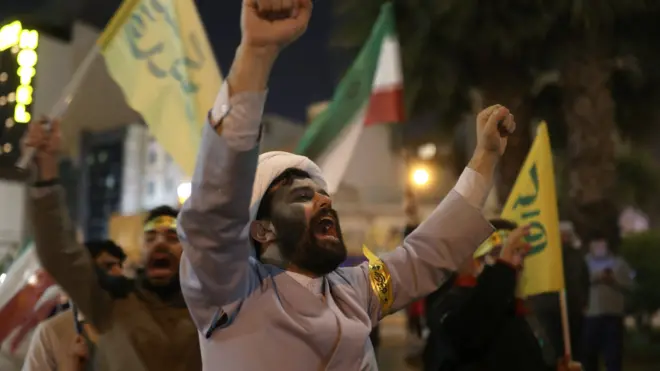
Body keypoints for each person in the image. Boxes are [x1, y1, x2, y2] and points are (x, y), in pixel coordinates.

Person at [176, 0, 517, 369]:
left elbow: (424, 254)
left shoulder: (355, 290)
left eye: (324, 194)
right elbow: (216, 209)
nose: (324, 201)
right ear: (262, 229)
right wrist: (256, 55)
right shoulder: (228, 292)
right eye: (303, 195)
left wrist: (484, 159)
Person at [24, 119, 201, 371]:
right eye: (151, 238)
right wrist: (45, 173)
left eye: (172, 238)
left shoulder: (209, 310)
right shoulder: (113, 303)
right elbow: (59, 252)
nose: (160, 243)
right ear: (141, 254)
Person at [423, 220, 582, 371]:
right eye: (499, 253)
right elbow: (470, 334)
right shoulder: (450, 305)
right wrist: (503, 270)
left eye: (520, 254)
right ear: (474, 260)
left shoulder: (517, 312)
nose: (516, 263)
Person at [23, 240, 126, 371]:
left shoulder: (135, 323)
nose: (117, 273)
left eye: (119, 266)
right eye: (107, 266)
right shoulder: (51, 333)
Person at [528, 221, 590, 362]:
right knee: (555, 347)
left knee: (572, 348)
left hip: (571, 309)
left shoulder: (575, 256)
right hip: (551, 308)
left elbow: (583, 280)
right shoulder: (546, 255)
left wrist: (583, 301)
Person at [583, 235, 634, 371]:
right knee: (589, 352)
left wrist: (614, 280)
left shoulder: (619, 263)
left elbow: (629, 284)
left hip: (613, 313)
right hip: (591, 314)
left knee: (613, 354)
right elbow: (579, 281)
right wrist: (597, 276)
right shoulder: (585, 263)